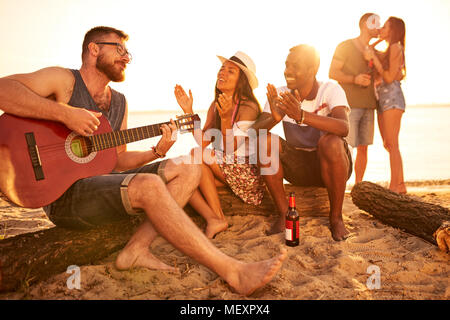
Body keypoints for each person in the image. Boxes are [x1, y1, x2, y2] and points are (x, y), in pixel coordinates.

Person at [0, 26, 286, 296]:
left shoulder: (120, 102)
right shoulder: (64, 81)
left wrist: (157, 151)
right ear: (94, 49)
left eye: (129, 53)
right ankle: (232, 270)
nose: (127, 57)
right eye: (120, 49)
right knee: (149, 184)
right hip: (62, 195)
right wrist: (65, 114)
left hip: (100, 189)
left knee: (188, 167)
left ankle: (136, 248)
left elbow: (120, 159)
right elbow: (4, 89)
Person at [251, 44, 352, 241]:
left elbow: (344, 127)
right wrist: (275, 118)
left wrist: (302, 116)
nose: (288, 71)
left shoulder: (330, 89)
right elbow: (254, 133)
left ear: (312, 69)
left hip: (332, 163)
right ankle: (284, 214)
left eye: (295, 66)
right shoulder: (281, 94)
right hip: (298, 166)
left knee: (330, 142)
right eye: (286, 65)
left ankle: (336, 218)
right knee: (265, 141)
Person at [174, 51, 265, 239]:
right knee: (185, 175)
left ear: (242, 81)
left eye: (231, 71)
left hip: (247, 174)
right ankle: (215, 219)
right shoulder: (216, 104)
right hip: (224, 168)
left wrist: (225, 119)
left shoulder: (248, 107)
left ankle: (217, 218)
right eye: (222, 68)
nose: (222, 73)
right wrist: (188, 111)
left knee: (195, 155)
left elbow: (231, 147)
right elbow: (203, 140)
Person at [329, 13, 381, 184]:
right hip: (349, 106)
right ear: (365, 25)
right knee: (346, 148)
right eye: (375, 23)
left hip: (369, 105)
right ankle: (341, 185)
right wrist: (354, 79)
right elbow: (333, 73)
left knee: (364, 148)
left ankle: (358, 186)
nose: (379, 27)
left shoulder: (375, 51)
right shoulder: (345, 46)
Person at [364, 17, 407, 194]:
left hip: (393, 98)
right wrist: (380, 40)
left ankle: (394, 187)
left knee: (393, 144)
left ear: (393, 30)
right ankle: (401, 184)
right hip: (383, 99)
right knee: (388, 144)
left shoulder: (396, 47)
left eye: (385, 26)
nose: (381, 28)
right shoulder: (390, 47)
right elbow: (371, 50)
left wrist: (374, 56)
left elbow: (389, 78)